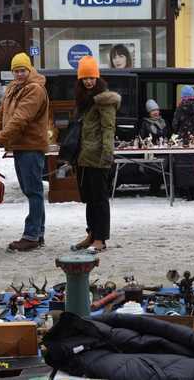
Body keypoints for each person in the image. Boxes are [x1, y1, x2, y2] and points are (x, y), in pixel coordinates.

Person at [0, 52, 49, 252]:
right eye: (16, 71)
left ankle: (31, 235)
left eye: (23, 70)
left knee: (33, 191)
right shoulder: (13, 88)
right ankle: (38, 233)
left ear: (29, 70)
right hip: (20, 146)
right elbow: (0, 115)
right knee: (32, 191)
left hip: (31, 146)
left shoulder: (35, 90)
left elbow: (20, 119)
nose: (19, 74)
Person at [70, 55, 121, 252]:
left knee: (100, 200)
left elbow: (108, 129)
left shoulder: (104, 100)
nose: (89, 81)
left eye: (92, 77)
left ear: (97, 78)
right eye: (85, 78)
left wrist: (107, 154)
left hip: (99, 157)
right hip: (84, 158)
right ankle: (91, 234)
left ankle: (101, 238)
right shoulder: (83, 101)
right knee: (89, 200)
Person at [172, 85, 194, 201]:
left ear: (183, 97)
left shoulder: (180, 108)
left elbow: (175, 126)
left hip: (185, 142)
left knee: (186, 167)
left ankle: (188, 193)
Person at [139, 99, 168, 196]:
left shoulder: (163, 122)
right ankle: (154, 189)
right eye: (153, 111)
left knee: (165, 164)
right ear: (149, 112)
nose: (156, 112)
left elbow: (167, 134)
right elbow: (142, 137)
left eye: (157, 110)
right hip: (151, 152)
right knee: (156, 167)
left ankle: (156, 188)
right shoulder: (145, 123)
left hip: (163, 150)